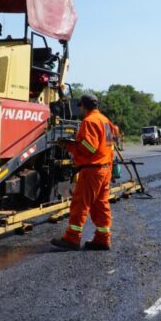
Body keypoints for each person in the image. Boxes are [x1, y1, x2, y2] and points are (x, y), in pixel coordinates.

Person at [52, 94, 115, 251]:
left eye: (79, 106)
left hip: (92, 170)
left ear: (83, 106)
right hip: (104, 168)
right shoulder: (105, 120)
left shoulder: (88, 121)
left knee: (80, 204)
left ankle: (72, 239)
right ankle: (103, 239)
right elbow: (106, 144)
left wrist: (68, 145)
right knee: (101, 205)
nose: (79, 109)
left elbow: (89, 148)